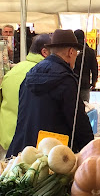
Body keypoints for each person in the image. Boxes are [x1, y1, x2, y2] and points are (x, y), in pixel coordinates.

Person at [6, 29, 94, 157]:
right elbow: (77, 120)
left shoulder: (30, 75)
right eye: (77, 52)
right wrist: (90, 149)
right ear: (71, 52)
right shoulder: (66, 80)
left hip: (23, 150)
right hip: (52, 155)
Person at [0, 34, 51, 159]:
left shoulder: (14, 70)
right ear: (44, 52)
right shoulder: (41, 74)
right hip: (27, 142)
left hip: (6, 138)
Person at [73, 29, 98, 102]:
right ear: (84, 38)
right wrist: (94, 82)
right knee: (85, 106)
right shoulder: (90, 51)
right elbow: (94, 68)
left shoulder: (72, 50)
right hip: (85, 83)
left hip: (73, 83)